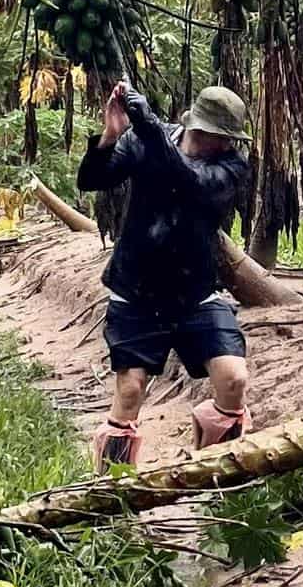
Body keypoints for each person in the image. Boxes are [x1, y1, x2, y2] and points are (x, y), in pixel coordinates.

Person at [77, 81, 252, 472]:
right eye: (221, 137)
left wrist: (150, 125)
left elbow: (188, 181)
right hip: (136, 290)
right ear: (200, 130)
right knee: (130, 390)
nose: (227, 145)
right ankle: (112, 490)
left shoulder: (231, 167)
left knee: (234, 379)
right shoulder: (143, 142)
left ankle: (215, 471)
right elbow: (91, 180)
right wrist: (111, 135)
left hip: (196, 293)